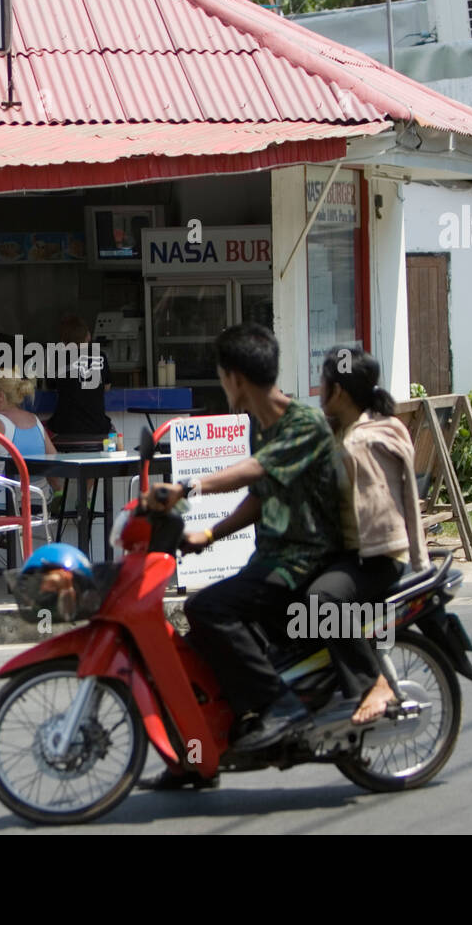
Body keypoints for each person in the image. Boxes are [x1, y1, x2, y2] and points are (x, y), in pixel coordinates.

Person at [141, 324, 341, 787]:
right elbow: (259, 495)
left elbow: (255, 471)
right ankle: (201, 754)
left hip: (305, 564)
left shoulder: (302, 424)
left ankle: (282, 707)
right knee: (200, 640)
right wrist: (207, 533)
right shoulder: (268, 428)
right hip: (272, 560)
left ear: (235, 378)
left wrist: (190, 486)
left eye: (221, 375)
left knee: (207, 607)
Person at [309, 347, 427, 725]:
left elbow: (378, 509)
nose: (318, 390)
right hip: (355, 554)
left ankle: (372, 685)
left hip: (378, 559)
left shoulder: (362, 440)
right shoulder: (342, 429)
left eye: (323, 383)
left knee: (322, 598)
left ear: (338, 391)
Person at [0, 372, 63, 503]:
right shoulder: (35, 420)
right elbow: (53, 460)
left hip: (5, 504)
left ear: (0, 396)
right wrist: (59, 491)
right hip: (39, 501)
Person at [45, 314, 112, 438]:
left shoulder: (56, 358)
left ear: (64, 340)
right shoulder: (100, 356)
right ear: (88, 336)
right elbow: (106, 387)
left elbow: (51, 387)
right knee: (113, 432)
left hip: (64, 429)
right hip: (97, 428)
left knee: (43, 428)